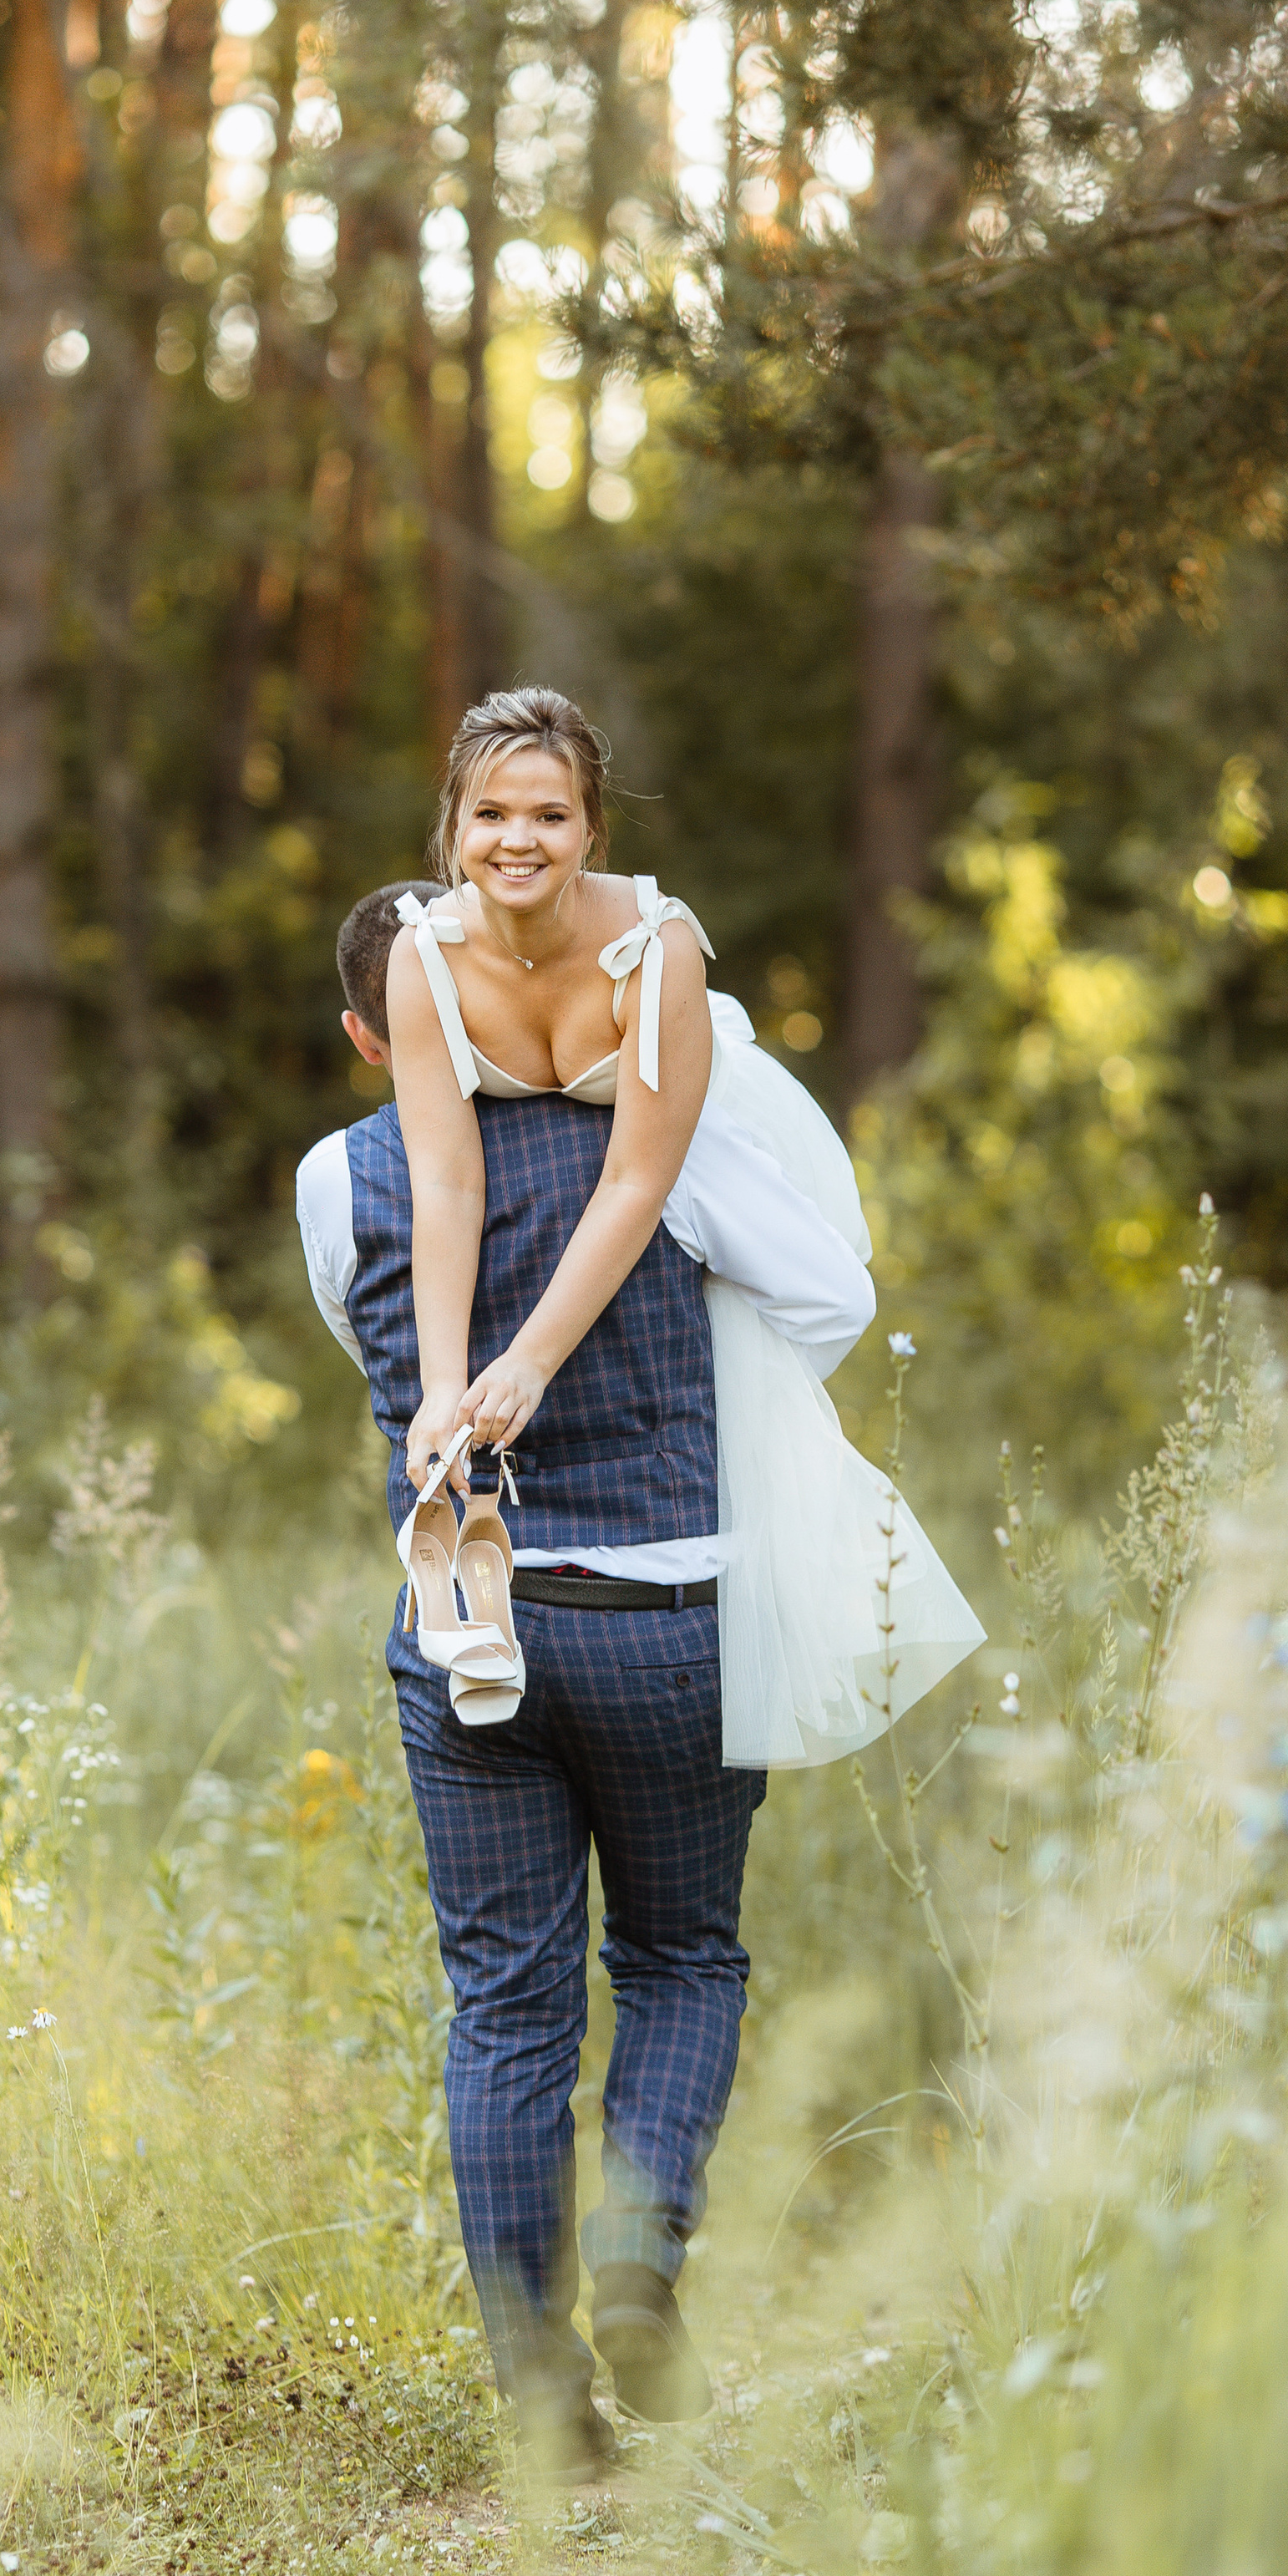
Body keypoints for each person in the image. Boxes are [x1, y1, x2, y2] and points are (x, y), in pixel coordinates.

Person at [296, 873, 880, 2466]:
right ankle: (640, 2252)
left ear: (388, 1028)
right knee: (684, 1958)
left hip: (464, 1623)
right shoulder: (669, 1154)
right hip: (661, 1612)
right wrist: (705, 1381)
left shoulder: (335, 1180)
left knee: (502, 2006)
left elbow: (386, 1357)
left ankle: (538, 2391)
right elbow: (834, 1295)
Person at [383, 692, 982, 1769]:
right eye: (491, 815)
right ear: (453, 828)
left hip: (687, 1136)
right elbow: (446, 1179)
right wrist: (440, 1383)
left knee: (834, 1300)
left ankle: (740, 1423)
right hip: (581, 1168)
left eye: (550, 816)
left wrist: (526, 1362)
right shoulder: (420, 956)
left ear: (590, 831)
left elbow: (637, 1178)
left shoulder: (659, 944)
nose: (519, 840)